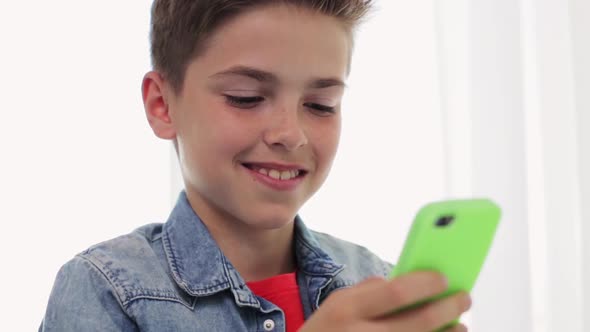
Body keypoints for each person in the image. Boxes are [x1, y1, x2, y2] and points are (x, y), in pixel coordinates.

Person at [40, 1, 471, 331]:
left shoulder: (376, 283)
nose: (291, 133)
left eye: (320, 105)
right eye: (246, 97)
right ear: (162, 104)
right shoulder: (106, 290)